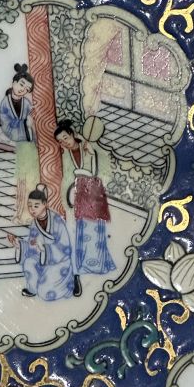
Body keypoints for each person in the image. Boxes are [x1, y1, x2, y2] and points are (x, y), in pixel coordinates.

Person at [54, 119, 116, 284]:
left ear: (72, 134)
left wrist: (92, 154)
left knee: (95, 229)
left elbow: (97, 172)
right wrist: (66, 199)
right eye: (61, 141)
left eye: (66, 138)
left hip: (93, 192)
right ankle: (82, 267)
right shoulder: (65, 156)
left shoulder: (89, 148)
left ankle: (98, 265)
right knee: (80, 231)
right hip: (78, 194)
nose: (64, 142)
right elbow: (67, 178)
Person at [8, 185, 77, 300]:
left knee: (45, 292)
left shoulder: (56, 220)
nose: (32, 209)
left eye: (36, 206)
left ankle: (69, 284)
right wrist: (19, 245)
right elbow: (32, 245)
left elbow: (65, 247)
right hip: (42, 258)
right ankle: (32, 289)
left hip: (59, 261)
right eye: (29, 206)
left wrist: (45, 248)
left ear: (45, 204)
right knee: (29, 262)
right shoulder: (34, 223)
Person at [0, 64, 40, 223]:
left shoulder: (27, 104)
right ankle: (22, 212)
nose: (23, 89)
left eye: (27, 88)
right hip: (21, 145)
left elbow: (33, 124)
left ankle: (33, 212)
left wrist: (31, 126)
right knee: (22, 179)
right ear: (14, 83)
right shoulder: (5, 103)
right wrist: (24, 123)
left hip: (30, 144)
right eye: (22, 84)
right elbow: (6, 126)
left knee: (32, 177)